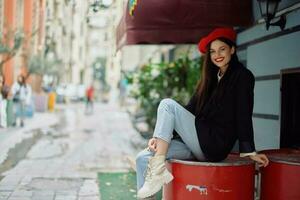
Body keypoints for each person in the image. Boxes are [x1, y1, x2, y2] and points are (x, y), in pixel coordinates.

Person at [135, 27, 269, 199]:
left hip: (214, 143)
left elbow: (244, 113)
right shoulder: (210, 79)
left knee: (167, 104)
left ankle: (158, 170)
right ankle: (154, 176)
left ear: (232, 49)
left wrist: (249, 151)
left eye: (222, 49)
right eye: (213, 51)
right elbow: (189, 110)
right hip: (197, 142)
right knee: (142, 158)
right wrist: (160, 137)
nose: (217, 55)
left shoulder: (242, 76)